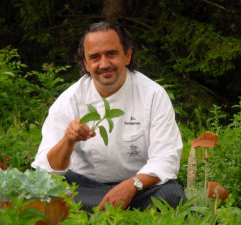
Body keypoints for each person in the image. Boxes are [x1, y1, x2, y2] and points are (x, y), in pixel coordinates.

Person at [31, 21, 187, 212]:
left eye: (111, 54)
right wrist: (68, 140)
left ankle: (95, 213)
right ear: (86, 63)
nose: (104, 64)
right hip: (84, 187)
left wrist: (132, 185)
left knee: (171, 196)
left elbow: (166, 157)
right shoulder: (70, 100)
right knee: (45, 195)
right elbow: (47, 168)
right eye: (95, 57)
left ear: (127, 55)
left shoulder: (153, 95)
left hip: (139, 187)